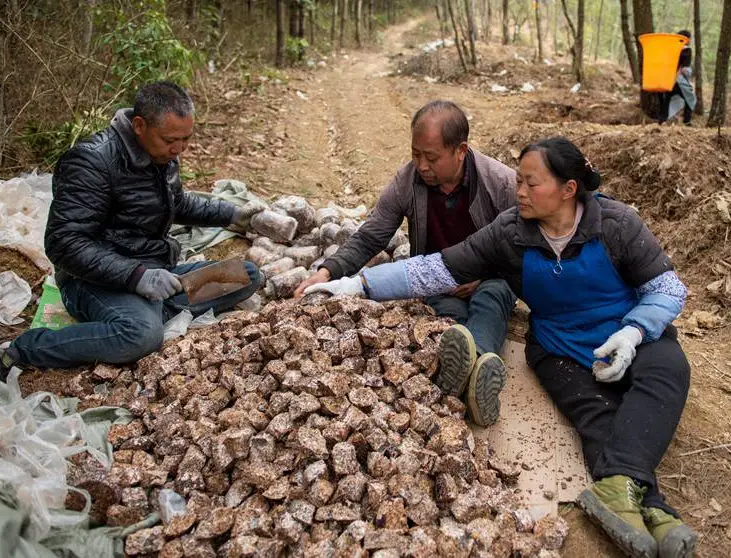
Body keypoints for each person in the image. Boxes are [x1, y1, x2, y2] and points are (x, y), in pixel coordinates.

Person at [305, 137, 696, 558]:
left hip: (628, 333)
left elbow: (666, 288)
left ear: (568, 189)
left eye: (531, 183)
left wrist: (634, 331)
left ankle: (625, 493)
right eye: (519, 182)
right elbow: (435, 269)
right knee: (598, 415)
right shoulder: (511, 232)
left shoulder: (616, 223)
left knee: (667, 371)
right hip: (560, 349)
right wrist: (356, 285)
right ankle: (652, 507)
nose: (520, 191)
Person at [0, 81, 263, 377]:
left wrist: (236, 215)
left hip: (154, 271)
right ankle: (20, 350)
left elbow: (178, 204)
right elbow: (64, 243)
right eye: (171, 140)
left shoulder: (163, 156)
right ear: (139, 126)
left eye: (186, 139)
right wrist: (137, 277)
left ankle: (152, 310)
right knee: (142, 337)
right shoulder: (91, 162)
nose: (178, 150)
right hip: (93, 281)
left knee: (245, 276)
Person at [295, 100, 517, 427]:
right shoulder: (408, 181)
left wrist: (486, 275)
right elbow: (372, 235)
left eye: (431, 157)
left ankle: (476, 366)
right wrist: (328, 271)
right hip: (435, 281)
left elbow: (522, 247)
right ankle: (470, 376)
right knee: (448, 320)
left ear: (460, 151)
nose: (421, 165)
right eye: (416, 154)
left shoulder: (500, 183)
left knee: (492, 300)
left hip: (490, 277)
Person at [659, 30, 696, 126]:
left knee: (667, 99)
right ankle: (687, 121)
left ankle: (662, 120)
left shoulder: (669, 49)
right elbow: (683, 69)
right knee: (691, 98)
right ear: (686, 39)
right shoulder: (687, 50)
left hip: (665, 78)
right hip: (677, 80)